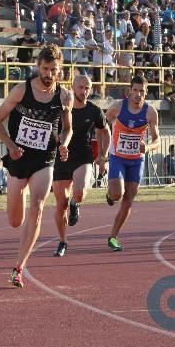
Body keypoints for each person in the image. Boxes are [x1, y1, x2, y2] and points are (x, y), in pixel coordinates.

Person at [0, 43, 73, 288]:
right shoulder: (21, 91)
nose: (48, 74)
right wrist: (10, 146)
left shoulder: (64, 96)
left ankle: (19, 267)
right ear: (38, 67)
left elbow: (67, 127)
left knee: (37, 206)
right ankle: (17, 199)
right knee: (15, 221)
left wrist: (64, 143)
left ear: (60, 70)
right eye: (45, 69)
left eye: (53, 70)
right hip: (19, 156)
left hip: (44, 158)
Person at [52, 75, 110, 257]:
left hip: (83, 156)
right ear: (72, 87)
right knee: (60, 204)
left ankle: (75, 203)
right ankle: (62, 241)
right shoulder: (61, 107)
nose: (84, 91)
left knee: (80, 190)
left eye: (87, 88)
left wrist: (102, 155)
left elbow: (105, 131)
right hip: (60, 157)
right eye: (81, 87)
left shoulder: (94, 111)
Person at [105, 75, 160, 251]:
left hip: (137, 160)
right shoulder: (117, 108)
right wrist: (104, 148)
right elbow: (103, 125)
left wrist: (149, 147)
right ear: (130, 90)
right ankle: (110, 193)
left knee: (128, 200)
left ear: (146, 93)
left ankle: (113, 236)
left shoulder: (150, 112)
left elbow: (157, 139)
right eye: (135, 90)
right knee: (116, 195)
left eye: (141, 91)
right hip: (118, 157)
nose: (137, 94)